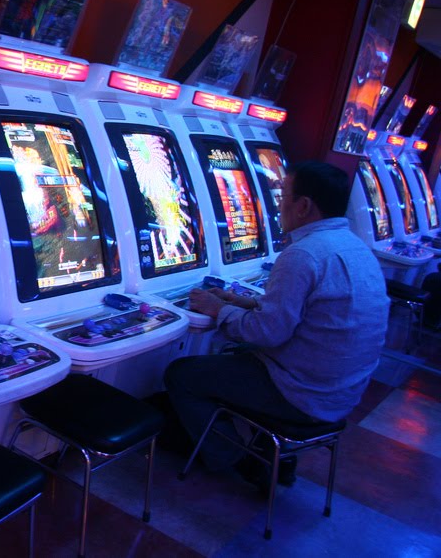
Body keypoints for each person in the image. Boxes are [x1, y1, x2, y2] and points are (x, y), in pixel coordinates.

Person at [163, 161, 389, 485]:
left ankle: (242, 461)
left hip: (302, 395)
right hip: (342, 392)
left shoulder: (303, 254)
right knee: (233, 354)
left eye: (282, 196)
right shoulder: (356, 247)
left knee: (181, 374)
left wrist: (218, 309)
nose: (277, 204)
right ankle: (268, 452)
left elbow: (266, 333)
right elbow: (308, 314)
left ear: (304, 206)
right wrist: (243, 302)